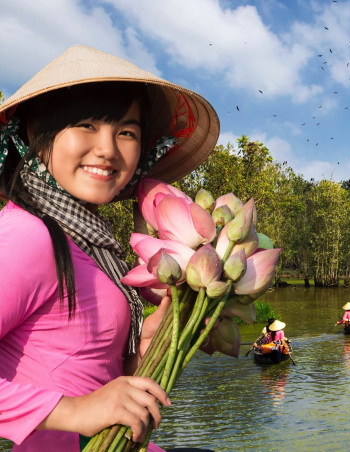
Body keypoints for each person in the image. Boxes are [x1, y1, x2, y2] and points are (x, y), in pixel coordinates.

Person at [0, 46, 220, 450]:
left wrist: (148, 347)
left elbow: (87, 374)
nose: (108, 149)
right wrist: (74, 411)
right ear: (34, 131)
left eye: (126, 132)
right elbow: (83, 401)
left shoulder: (87, 243)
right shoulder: (28, 236)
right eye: (85, 124)